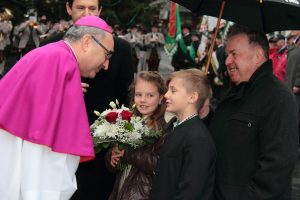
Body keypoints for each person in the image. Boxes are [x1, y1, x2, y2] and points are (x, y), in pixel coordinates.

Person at [0, 15, 114, 200]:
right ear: (86, 42)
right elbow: (39, 147)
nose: (106, 64)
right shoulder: (59, 61)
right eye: (107, 54)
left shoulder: (55, 56)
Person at [39, 0, 134, 199]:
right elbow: (38, 95)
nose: (86, 13)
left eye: (92, 8)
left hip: (101, 148)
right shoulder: (50, 44)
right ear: (68, 9)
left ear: (100, 10)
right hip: (58, 144)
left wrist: (122, 141)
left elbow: (126, 98)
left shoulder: (122, 49)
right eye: (80, 8)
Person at [209, 25, 299, 200]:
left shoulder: (279, 98)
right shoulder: (236, 91)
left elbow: (276, 169)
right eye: (227, 54)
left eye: (234, 54)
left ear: (258, 55)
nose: (227, 61)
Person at [150, 68, 216, 200]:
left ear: (192, 97)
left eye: (173, 90)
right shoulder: (176, 126)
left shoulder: (198, 139)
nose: (166, 95)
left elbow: (190, 191)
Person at [106, 71, 167, 200]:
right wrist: (112, 158)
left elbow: (160, 164)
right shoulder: (128, 119)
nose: (143, 100)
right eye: (138, 94)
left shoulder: (164, 127)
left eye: (150, 95)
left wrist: (127, 153)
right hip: (121, 190)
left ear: (161, 97)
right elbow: (117, 157)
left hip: (143, 194)